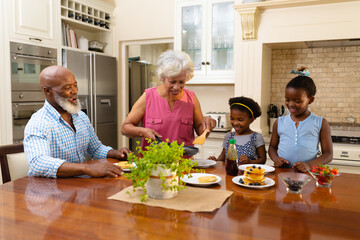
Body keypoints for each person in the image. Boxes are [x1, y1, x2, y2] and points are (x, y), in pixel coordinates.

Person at [23, 66, 130, 178]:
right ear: (47, 91)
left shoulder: (81, 117)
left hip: (79, 186)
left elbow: (95, 149)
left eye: (75, 85)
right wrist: (87, 168)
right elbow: (38, 163)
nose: (74, 91)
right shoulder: (39, 122)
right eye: (67, 87)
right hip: (51, 189)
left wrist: (115, 153)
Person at [121, 50, 216, 150]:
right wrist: (143, 131)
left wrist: (207, 127)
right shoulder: (148, 97)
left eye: (181, 82)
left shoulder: (191, 98)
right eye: (172, 81)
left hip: (182, 163)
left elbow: (201, 133)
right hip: (153, 163)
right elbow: (125, 128)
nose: (177, 87)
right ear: (162, 77)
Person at [268, 67, 333, 172]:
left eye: (297, 101)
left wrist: (309, 165)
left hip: (308, 174)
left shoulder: (320, 123)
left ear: (310, 100)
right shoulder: (279, 122)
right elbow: (272, 148)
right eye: (287, 100)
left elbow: (328, 154)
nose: (291, 104)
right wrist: (276, 159)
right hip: (282, 173)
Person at [208, 96, 266, 164]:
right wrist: (216, 160)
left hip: (247, 173)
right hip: (229, 173)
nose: (235, 123)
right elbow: (222, 157)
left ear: (251, 120)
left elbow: (262, 160)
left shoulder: (256, 137)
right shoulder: (229, 136)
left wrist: (250, 161)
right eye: (232, 119)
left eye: (240, 120)